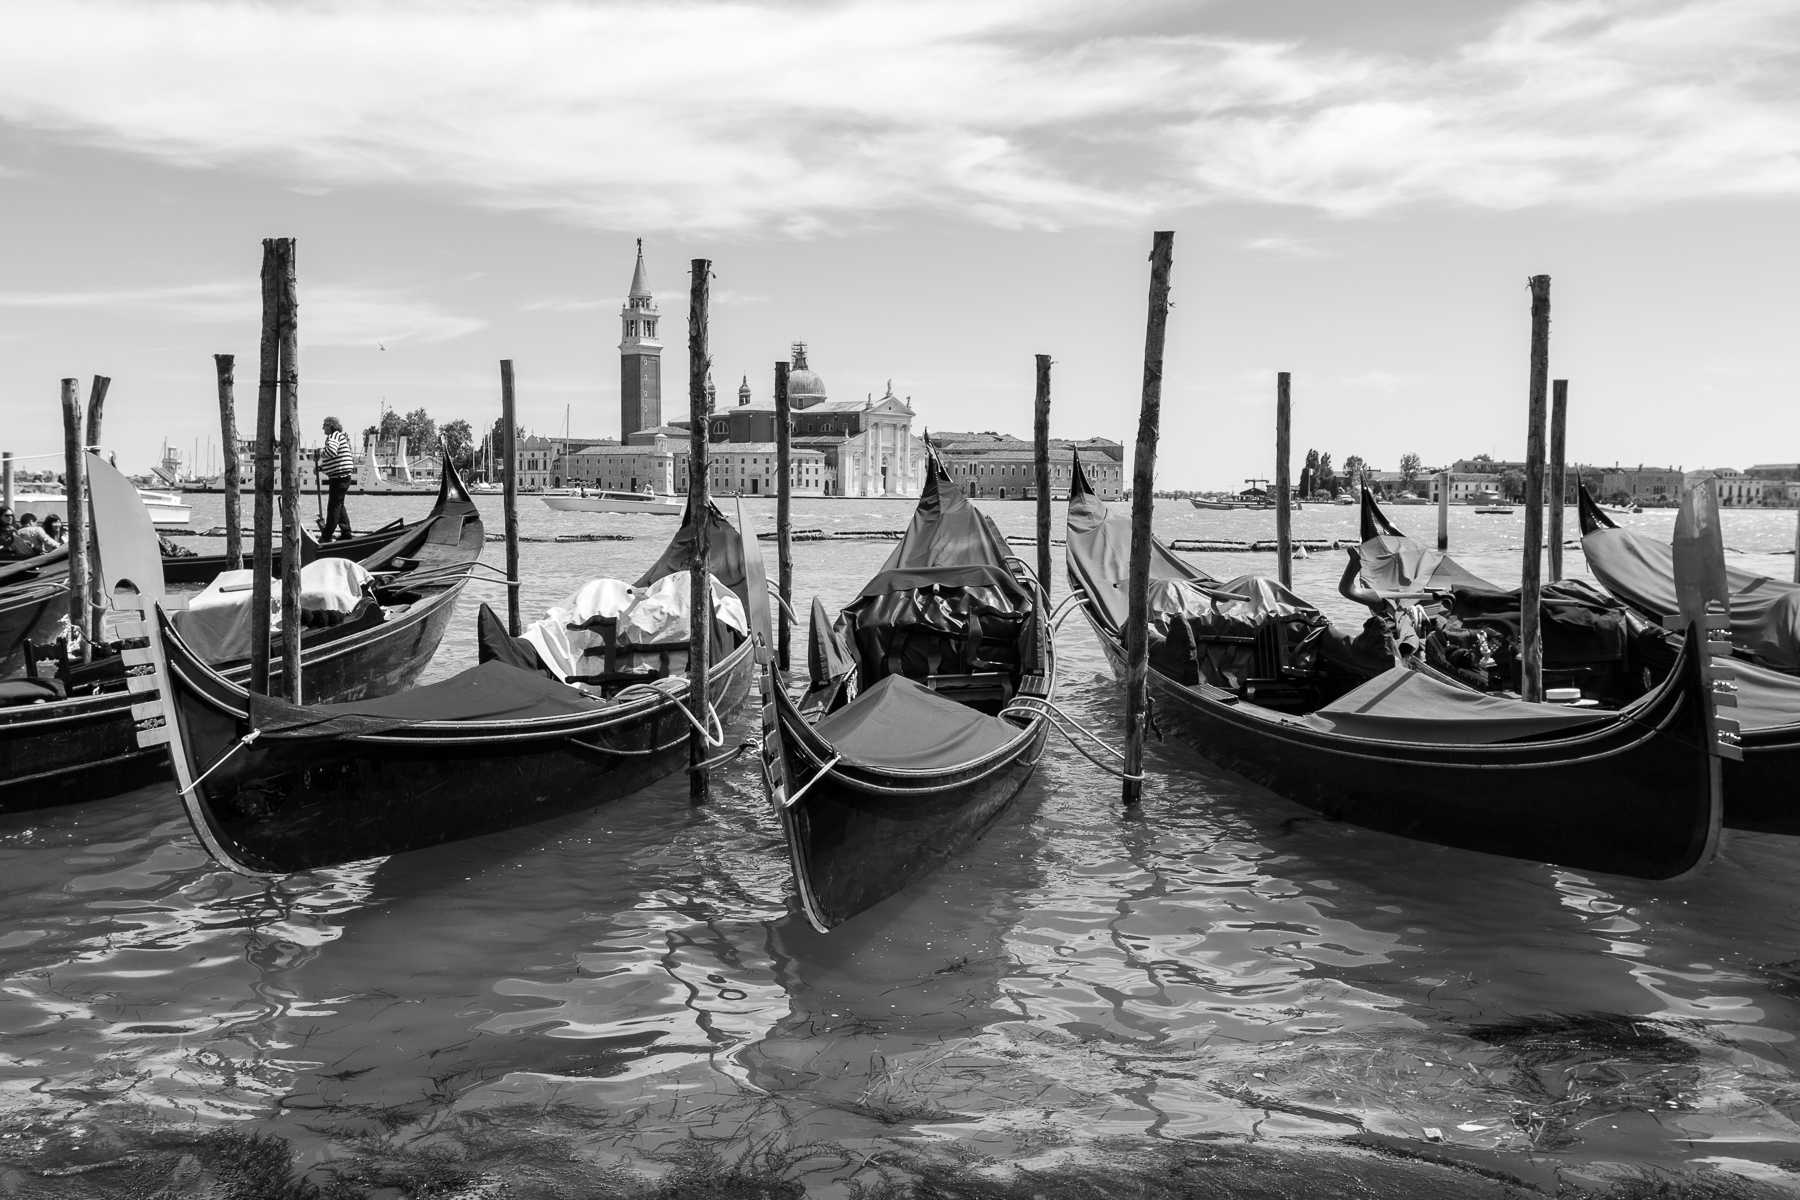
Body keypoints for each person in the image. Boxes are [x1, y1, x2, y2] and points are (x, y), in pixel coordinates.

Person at [319, 416, 355, 542]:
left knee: (333, 507)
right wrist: (321, 468)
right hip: (341, 476)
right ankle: (346, 533)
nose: (322, 428)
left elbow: (331, 452)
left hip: (339, 477)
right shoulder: (339, 436)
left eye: (324, 425)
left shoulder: (334, 436)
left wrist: (318, 453)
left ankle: (326, 536)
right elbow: (334, 459)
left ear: (330, 426)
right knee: (339, 505)